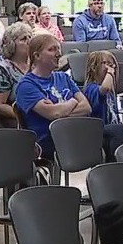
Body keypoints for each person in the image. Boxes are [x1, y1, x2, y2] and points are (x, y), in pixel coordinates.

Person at [14, 33, 91, 161]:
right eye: (52, 49)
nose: (58, 54)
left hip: (72, 133)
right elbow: (53, 114)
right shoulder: (26, 85)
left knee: (113, 134)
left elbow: (87, 107)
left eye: (58, 49)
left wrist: (60, 113)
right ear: (37, 56)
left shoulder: (63, 77)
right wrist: (72, 102)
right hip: (47, 140)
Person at [82, 51, 123, 162]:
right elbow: (104, 89)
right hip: (97, 132)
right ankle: (115, 164)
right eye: (106, 64)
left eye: (112, 65)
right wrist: (110, 73)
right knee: (119, 130)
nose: (111, 68)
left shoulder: (111, 91)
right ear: (94, 68)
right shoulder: (91, 88)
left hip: (111, 132)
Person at [0, 22, 32, 127]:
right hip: (15, 121)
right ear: (11, 44)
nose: (29, 41)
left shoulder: (36, 66)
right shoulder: (2, 69)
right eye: (23, 39)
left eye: (30, 37)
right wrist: (26, 116)